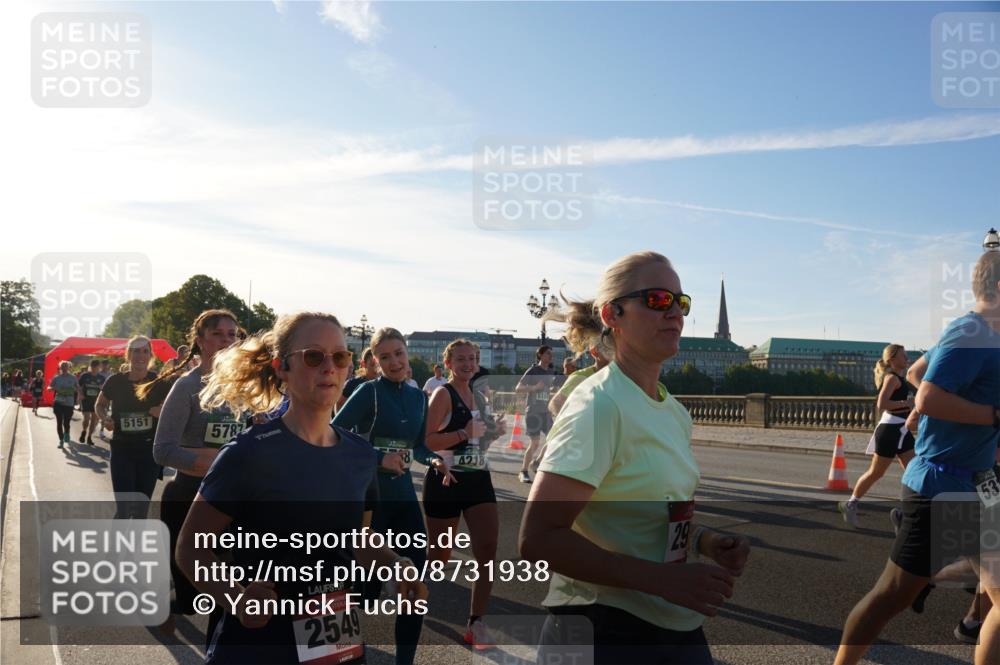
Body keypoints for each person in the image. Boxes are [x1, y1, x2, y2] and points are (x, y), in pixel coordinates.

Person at [519, 251, 750, 665]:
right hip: (603, 628)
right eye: (658, 300)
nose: (675, 313)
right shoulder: (598, 404)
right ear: (613, 315)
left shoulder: (672, 410)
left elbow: (648, 510)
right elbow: (537, 538)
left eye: (681, 303)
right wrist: (662, 580)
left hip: (672, 621)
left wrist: (703, 540)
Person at [176, 312, 427, 664]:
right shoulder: (249, 452)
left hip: (333, 639)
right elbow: (190, 548)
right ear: (282, 367)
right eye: (313, 356)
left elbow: (357, 537)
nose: (329, 367)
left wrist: (397, 565)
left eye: (339, 357)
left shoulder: (359, 454)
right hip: (259, 642)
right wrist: (235, 597)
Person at [835, 250, 1000, 665]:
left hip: (981, 481)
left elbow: (915, 373)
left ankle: (936, 575)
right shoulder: (971, 332)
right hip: (943, 483)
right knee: (890, 595)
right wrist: (994, 416)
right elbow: (926, 395)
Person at [333, 327, 454, 665]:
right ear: (375, 361)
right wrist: (377, 458)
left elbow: (418, 445)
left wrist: (434, 460)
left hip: (403, 505)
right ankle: (341, 655)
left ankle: (405, 661)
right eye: (384, 357)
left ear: (407, 353)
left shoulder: (419, 398)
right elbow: (332, 436)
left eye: (398, 353)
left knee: (414, 588)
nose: (394, 361)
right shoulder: (368, 393)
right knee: (358, 594)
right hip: (368, 507)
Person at [150, 309, 243, 636]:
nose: (228, 340)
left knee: (231, 596)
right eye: (219, 334)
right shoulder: (186, 387)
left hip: (235, 504)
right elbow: (162, 450)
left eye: (233, 334)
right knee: (192, 596)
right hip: (189, 498)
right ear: (201, 341)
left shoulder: (243, 390)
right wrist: (210, 460)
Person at [424, 339, 504, 650]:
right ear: (449, 364)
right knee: (439, 558)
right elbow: (426, 441)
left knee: (487, 548)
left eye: (472, 358)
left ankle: (476, 623)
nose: (467, 364)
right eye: (461, 359)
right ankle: (409, 588)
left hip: (477, 477)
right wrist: (463, 433)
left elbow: (479, 442)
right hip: (445, 479)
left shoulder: (482, 396)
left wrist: (492, 435)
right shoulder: (443, 394)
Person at [838, 344, 916, 527]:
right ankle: (850, 504)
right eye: (904, 356)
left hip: (902, 430)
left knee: (914, 472)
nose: (907, 359)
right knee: (876, 473)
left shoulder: (899, 379)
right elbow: (882, 403)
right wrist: (908, 403)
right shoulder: (892, 379)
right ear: (892, 360)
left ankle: (907, 514)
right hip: (889, 431)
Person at [94, 336, 169, 519]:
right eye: (136, 351)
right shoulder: (115, 381)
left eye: (145, 351)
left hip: (149, 451)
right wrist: (105, 418)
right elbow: (100, 405)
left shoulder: (159, 382)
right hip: (122, 449)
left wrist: (162, 410)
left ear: (151, 355)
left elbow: (175, 410)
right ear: (128, 355)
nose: (140, 355)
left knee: (141, 511)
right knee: (125, 508)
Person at [547, 326, 613, 418]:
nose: (614, 354)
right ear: (594, 352)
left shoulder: (620, 376)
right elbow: (555, 404)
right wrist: (575, 426)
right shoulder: (581, 377)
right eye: (609, 349)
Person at [514, 346, 556, 483]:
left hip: (546, 412)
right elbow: (518, 388)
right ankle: (523, 471)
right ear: (540, 355)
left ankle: (536, 462)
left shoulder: (551, 371)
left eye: (552, 354)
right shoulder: (533, 370)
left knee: (555, 438)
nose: (551, 356)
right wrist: (534, 388)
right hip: (533, 412)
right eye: (548, 354)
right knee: (535, 443)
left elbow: (547, 392)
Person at [48, 362, 79, 448]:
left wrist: (78, 394)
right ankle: (61, 440)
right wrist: (52, 388)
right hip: (58, 402)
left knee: (66, 422)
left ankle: (67, 433)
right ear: (60, 368)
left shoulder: (73, 378)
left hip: (69, 402)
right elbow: (49, 387)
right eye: (62, 366)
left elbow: (78, 388)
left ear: (69, 367)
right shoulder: (57, 378)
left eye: (66, 366)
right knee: (59, 422)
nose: (64, 368)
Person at [77, 359, 105, 445]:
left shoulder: (101, 378)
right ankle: (84, 430)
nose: (94, 369)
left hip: (96, 401)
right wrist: (80, 394)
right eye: (93, 367)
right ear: (91, 367)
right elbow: (78, 386)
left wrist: (102, 389)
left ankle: (89, 437)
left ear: (99, 368)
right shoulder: (85, 376)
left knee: (94, 420)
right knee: (86, 418)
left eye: (96, 367)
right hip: (86, 400)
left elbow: (105, 390)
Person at [97, 359, 113, 441]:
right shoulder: (98, 374)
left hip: (107, 397)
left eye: (106, 364)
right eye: (103, 364)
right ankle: (97, 424)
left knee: (105, 414)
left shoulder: (111, 374)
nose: (104, 366)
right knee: (97, 414)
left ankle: (101, 430)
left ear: (108, 365)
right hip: (97, 396)